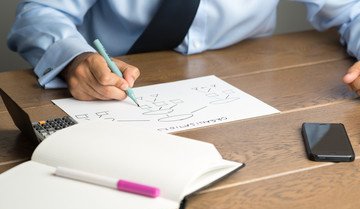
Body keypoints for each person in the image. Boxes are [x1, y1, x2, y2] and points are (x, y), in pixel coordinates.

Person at [7, 0, 360, 100]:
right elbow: (41, 13)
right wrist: (74, 59)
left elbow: (351, 11)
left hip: (246, 81)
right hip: (110, 86)